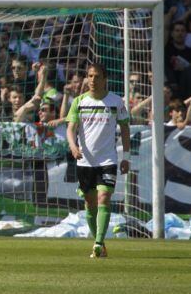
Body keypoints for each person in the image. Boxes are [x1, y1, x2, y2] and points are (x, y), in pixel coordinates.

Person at [66, 63, 130, 259]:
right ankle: (100, 244)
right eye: (90, 76)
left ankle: (98, 243)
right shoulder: (79, 101)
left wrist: (126, 157)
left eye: (97, 76)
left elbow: (125, 128)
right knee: (89, 203)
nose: (92, 80)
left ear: (105, 79)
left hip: (107, 159)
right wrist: (73, 146)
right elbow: (70, 128)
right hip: (85, 161)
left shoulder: (116, 102)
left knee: (104, 198)